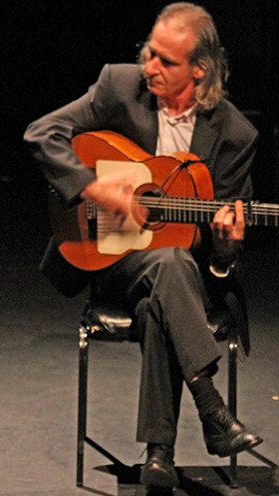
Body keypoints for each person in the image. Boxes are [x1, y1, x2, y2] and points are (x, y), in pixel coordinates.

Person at [24, 2, 262, 489]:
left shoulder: (235, 134)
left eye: (165, 61)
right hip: (109, 257)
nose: (149, 67)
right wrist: (92, 186)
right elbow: (41, 133)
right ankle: (212, 408)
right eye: (149, 53)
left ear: (200, 70)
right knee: (168, 268)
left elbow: (223, 261)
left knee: (167, 282)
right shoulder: (119, 86)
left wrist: (223, 250)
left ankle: (160, 454)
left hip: (185, 281)